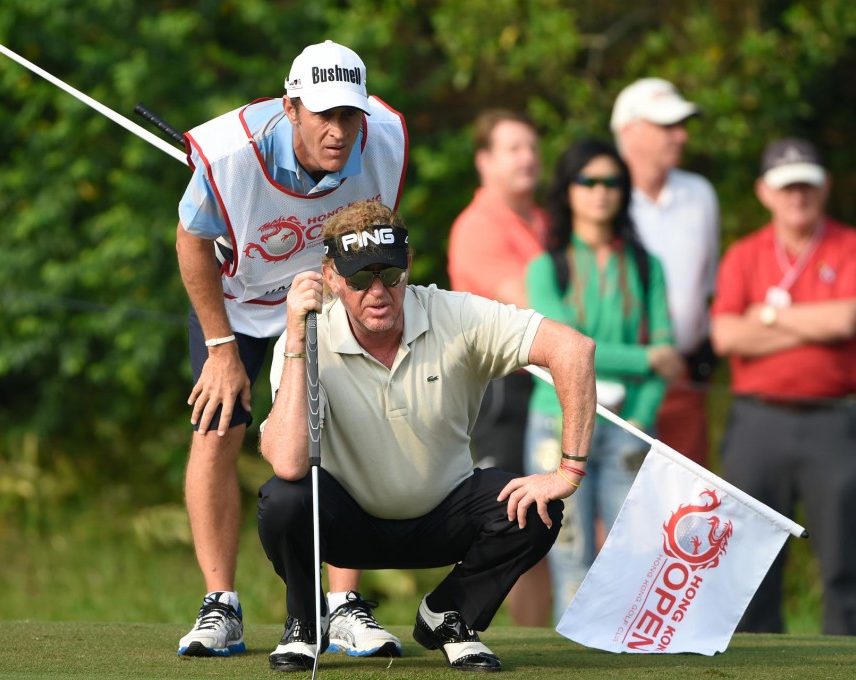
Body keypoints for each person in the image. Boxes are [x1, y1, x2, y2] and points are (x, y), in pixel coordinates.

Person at [257, 200, 598, 672]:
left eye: (391, 276)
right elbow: (289, 463)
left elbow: (573, 349)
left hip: (444, 515)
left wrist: (568, 471)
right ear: (331, 277)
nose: (377, 292)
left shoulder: (452, 313)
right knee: (283, 500)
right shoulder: (305, 336)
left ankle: (449, 612)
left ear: (409, 265)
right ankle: (306, 620)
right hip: (345, 524)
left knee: (537, 509)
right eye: (359, 279)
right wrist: (296, 340)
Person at [174, 40, 407, 658]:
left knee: (344, 430)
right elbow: (192, 242)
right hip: (236, 306)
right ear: (292, 107)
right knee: (216, 427)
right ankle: (219, 606)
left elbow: (373, 240)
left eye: (349, 115)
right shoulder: (228, 156)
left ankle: (343, 607)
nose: (339, 131)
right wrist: (221, 348)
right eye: (323, 115)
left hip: (327, 299)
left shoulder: (383, 141)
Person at [710, 138, 856, 636]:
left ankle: (855, 667)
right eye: (786, 187)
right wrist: (806, 325)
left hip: (836, 424)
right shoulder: (744, 255)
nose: (797, 196)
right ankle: (753, 664)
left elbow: (845, 320)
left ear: (824, 187)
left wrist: (766, 317)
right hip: (757, 423)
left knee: (844, 561)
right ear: (765, 192)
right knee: (749, 562)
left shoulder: (854, 247)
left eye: (806, 184)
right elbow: (725, 334)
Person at [523, 139, 681, 622]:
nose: (600, 192)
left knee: (631, 550)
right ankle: (576, 659)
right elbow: (569, 349)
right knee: (567, 551)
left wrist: (644, 414)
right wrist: (645, 357)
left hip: (629, 422)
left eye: (612, 182)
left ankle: (627, 653)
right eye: (587, 181)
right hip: (558, 421)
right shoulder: (546, 267)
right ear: (567, 191)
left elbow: (670, 355)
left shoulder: (646, 266)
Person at [446, 109, 552, 626]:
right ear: (484, 161)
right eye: (514, 148)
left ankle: (561, 634)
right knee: (521, 515)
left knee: (561, 517)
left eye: (532, 147)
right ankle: (533, 639)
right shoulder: (477, 227)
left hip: (547, 384)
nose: (528, 158)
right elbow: (537, 305)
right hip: (502, 390)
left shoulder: (544, 221)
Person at [611, 77, 720, 466]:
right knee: (615, 509)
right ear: (629, 132)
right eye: (666, 126)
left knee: (684, 510)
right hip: (614, 382)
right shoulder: (599, 196)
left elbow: (707, 287)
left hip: (684, 379)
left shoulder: (700, 194)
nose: (681, 136)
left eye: (682, 126)